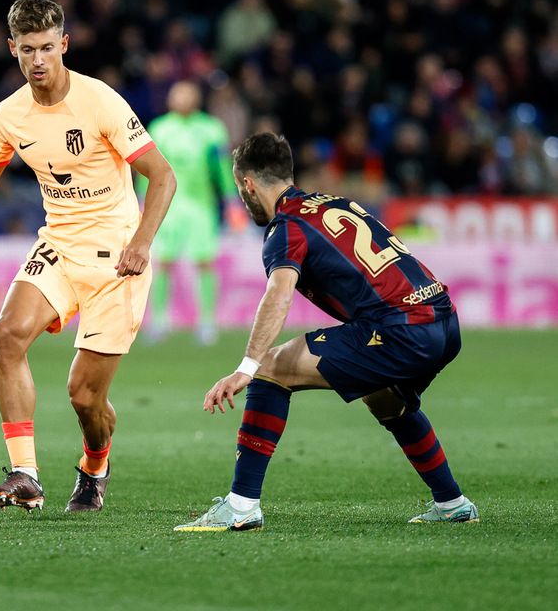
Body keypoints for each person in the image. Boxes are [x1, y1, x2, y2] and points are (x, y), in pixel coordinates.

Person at [0, 0, 176, 512]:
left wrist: (141, 243)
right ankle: (25, 474)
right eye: (28, 50)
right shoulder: (9, 116)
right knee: (7, 336)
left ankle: (95, 464)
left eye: (48, 47)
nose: (39, 59)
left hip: (116, 258)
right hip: (59, 244)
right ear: (13, 50)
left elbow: (162, 176)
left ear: (64, 44)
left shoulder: (101, 103)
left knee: (84, 398)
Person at [174, 133, 477, 531]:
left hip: (402, 329)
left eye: (239, 187)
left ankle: (241, 505)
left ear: (247, 184)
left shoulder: (286, 227)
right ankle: (452, 502)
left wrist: (245, 367)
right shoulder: (337, 203)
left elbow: (278, 294)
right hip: (444, 320)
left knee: (270, 368)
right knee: (385, 398)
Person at [139, 80, 244, 344]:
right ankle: (159, 320)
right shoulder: (160, 128)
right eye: (177, 94)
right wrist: (142, 199)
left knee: (204, 261)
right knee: (163, 261)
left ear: (196, 98)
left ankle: (207, 322)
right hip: (167, 206)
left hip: (201, 205)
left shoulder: (211, 129)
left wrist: (232, 200)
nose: (182, 98)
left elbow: (222, 167)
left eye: (187, 94)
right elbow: (148, 169)